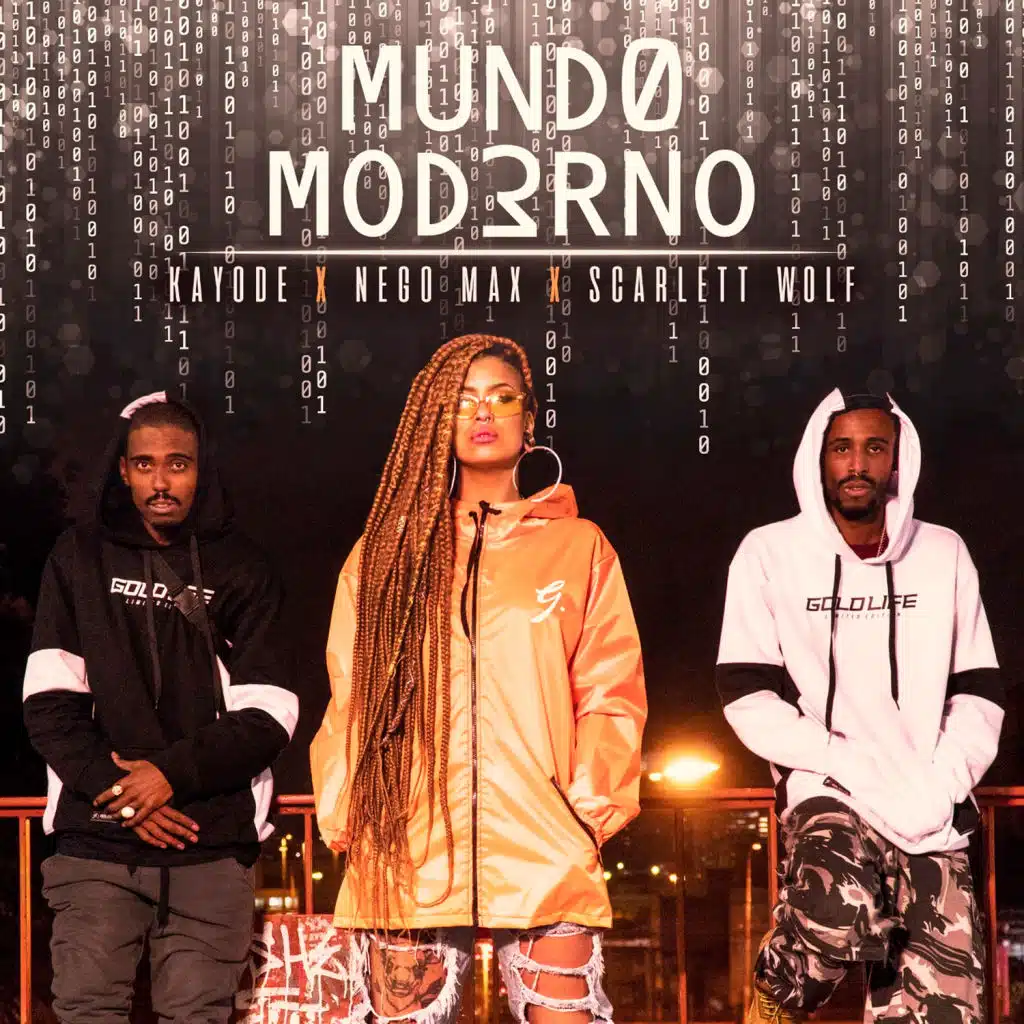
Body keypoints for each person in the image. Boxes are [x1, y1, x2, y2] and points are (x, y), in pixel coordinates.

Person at [311, 334, 647, 1024]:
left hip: (546, 841)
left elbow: (610, 690)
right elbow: (350, 695)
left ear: (529, 419)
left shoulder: (578, 545)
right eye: (462, 400)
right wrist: (349, 818)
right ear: (436, 420)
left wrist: (587, 814)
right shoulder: (385, 553)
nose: (484, 412)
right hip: (407, 847)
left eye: (502, 396)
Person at [716, 390, 1004, 1024]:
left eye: (875, 448)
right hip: (829, 782)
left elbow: (979, 688)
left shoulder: (944, 551)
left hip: (927, 795)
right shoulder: (769, 551)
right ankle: (777, 994)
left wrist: (945, 779)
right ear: (817, 459)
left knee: (944, 1009)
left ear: (898, 460)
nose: (856, 464)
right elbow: (746, 690)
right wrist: (838, 759)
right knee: (839, 907)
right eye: (841, 448)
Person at [23, 391, 298, 1023]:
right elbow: (48, 702)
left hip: (209, 843)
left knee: (198, 1016)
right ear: (123, 470)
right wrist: (125, 795)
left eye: (179, 463)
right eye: (145, 464)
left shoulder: (244, 568)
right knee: (88, 1013)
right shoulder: (78, 557)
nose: (161, 481)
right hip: (97, 842)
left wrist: (169, 775)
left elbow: (271, 714)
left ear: (202, 468)